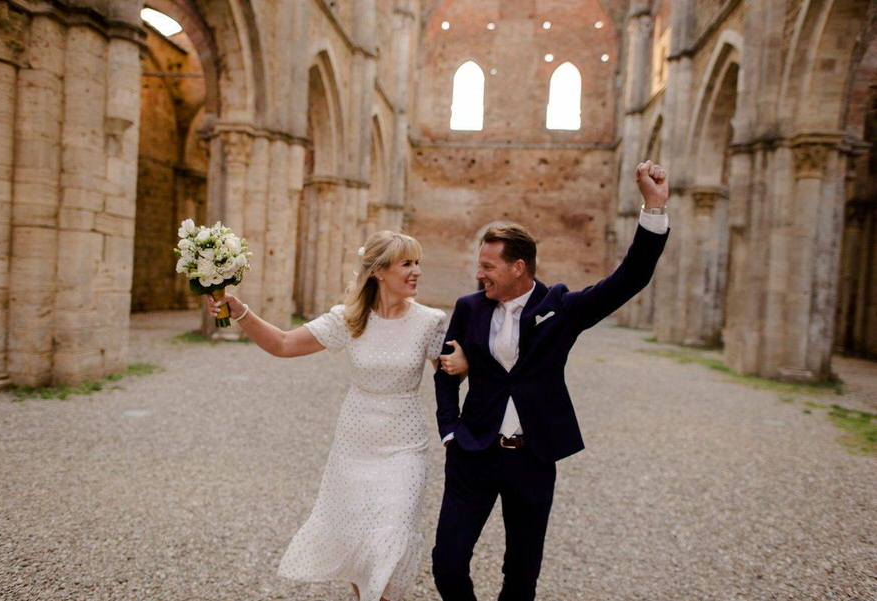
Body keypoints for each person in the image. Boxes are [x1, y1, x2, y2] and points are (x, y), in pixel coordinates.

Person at [431, 160, 671, 601]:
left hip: (532, 457)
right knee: (446, 562)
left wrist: (653, 208)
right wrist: (449, 429)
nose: (479, 273)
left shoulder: (561, 308)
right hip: (472, 453)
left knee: (521, 575)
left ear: (518, 267)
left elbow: (630, 278)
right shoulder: (468, 308)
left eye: (488, 266)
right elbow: (445, 370)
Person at [206, 231, 464, 601]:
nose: (417, 271)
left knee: (391, 533)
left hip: (405, 445)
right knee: (359, 538)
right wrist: (240, 310)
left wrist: (465, 364)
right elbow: (282, 343)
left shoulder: (431, 321)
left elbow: (450, 370)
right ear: (379, 271)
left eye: (417, 263)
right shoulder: (349, 319)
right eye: (407, 263)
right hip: (355, 442)